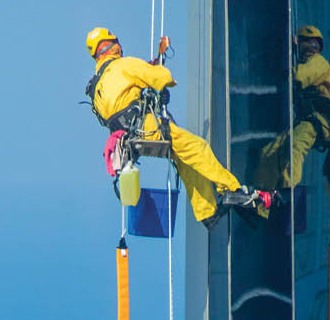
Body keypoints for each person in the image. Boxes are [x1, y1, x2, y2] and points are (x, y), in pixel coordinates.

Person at [84, 26, 269, 228]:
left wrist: (157, 61)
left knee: (184, 159)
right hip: (147, 128)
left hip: (129, 142)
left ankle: (207, 212)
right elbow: (162, 78)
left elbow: (125, 94)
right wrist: (161, 72)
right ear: (115, 46)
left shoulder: (96, 86)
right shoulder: (122, 65)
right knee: (198, 148)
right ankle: (233, 191)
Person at [256, 24, 330, 191]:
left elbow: (300, 76)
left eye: (314, 44)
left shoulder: (318, 62)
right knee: (269, 152)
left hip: (318, 121)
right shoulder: (312, 62)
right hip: (308, 120)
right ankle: (262, 200)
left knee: (294, 147)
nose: (312, 48)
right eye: (309, 44)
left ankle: (288, 191)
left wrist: (282, 70)